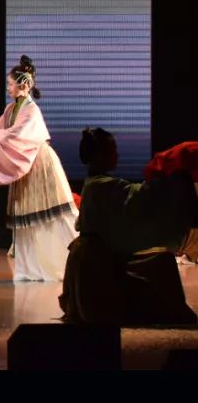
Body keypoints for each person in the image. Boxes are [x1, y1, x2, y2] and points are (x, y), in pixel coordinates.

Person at [60, 129, 198, 324]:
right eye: (111, 150)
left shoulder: (97, 185)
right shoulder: (99, 187)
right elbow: (141, 200)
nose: (116, 155)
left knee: (162, 259)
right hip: (99, 261)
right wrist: (174, 178)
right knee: (162, 263)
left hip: (102, 255)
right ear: (98, 155)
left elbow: (133, 200)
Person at [0, 55, 76, 281]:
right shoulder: (12, 108)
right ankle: (29, 268)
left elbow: (15, 136)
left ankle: (58, 264)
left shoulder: (31, 110)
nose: (8, 87)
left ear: (24, 85)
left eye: (11, 84)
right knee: (25, 217)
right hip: (23, 166)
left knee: (47, 217)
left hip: (38, 163)